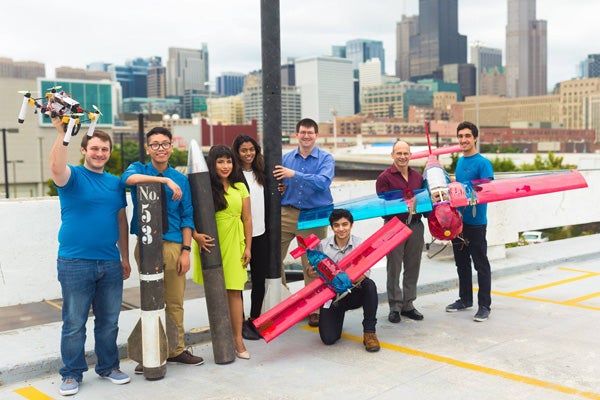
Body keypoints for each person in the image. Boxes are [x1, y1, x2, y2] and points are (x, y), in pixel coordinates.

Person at [49, 116, 131, 396]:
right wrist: (63, 133)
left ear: (109, 153)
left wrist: (125, 257)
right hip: (74, 262)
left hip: (109, 262)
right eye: (94, 148)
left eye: (104, 150)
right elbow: (55, 166)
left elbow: (122, 221)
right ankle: (71, 373)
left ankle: (109, 367)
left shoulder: (115, 183)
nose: (99, 154)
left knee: (109, 321)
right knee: (74, 323)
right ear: (84, 150)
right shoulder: (72, 176)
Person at [122, 127, 204, 373]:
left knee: (174, 301)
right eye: (155, 144)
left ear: (171, 147)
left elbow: (187, 216)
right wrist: (163, 180)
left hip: (172, 246)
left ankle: (176, 350)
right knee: (151, 302)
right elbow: (127, 180)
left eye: (165, 144)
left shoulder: (182, 180)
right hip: (146, 246)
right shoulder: (139, 170)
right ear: (148, 148)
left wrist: (186, 250)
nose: (160, 148)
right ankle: (152, 350)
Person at [273, 118, 335, 328]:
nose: (306, 136)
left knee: (313, 265)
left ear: (316, 135)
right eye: (303, 132)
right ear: (296, 134)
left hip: (314, 216)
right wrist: (283, 186)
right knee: (273, 258)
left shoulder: (326, 158)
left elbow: (323, 182)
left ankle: (315, 309)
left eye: (310, 132)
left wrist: (294, 175)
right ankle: (284, 298)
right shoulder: (286, 158)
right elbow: (279, 183)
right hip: (287, 213)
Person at [193, 145, 253, 359]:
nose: (225, 166)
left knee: (235, 291)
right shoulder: (205, 186)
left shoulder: (240, 187)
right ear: (213, 163)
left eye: (228, 161)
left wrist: (248, 247)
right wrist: (195, 236)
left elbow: (247, 219)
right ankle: (221, 337)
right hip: (212, 242)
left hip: (236, 241)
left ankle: (238, 339)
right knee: (217, 290)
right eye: (220, 161)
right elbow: (191, 214)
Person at [446, 121, 494, 322]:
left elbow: (486, 190)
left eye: (467, 136)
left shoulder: (483, 163)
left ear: (475, 138)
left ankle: (484, 305)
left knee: (480, 264)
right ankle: (465, 299)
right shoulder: (460, 161)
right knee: (461, 263)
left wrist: (462, 186)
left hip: (476, 222)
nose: (463, 140)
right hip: (458, 221)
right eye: (460, 136)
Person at [315, 209, 380, 352]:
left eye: (345, 224)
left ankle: (370, 332)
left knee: (370, 286)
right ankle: (337, 316)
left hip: (353, 291)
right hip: (332, 297)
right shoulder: (322, 245)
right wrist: (312, 270)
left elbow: (365, 274)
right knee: (329, 339)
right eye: (336, 225)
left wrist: (349, 275)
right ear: (332, 227)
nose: (341, 229)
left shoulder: (360, 244)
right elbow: (313, 270)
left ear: (351, 225)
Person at [376, 140, 426, 324]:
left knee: (413, 266)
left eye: (406, 153)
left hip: (415, 225)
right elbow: (383, 206)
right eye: (399, 153)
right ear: (392, 155)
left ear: (410, 155)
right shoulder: (384, 178)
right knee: (394, 267)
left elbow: (424, 201)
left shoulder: (417, 177)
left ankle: (408, 305)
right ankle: (395, 307)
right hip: (394, 226)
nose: (402, 157)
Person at [232, 135, 268, 341]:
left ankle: (254, 319)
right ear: (237, 152)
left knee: (259, 281)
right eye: (244, 150)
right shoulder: (233, 175)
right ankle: (239, 321)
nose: (248, 153)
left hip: (260, 234)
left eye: (252, 149)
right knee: (238, 282)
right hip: (239, 236)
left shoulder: (261, 173)